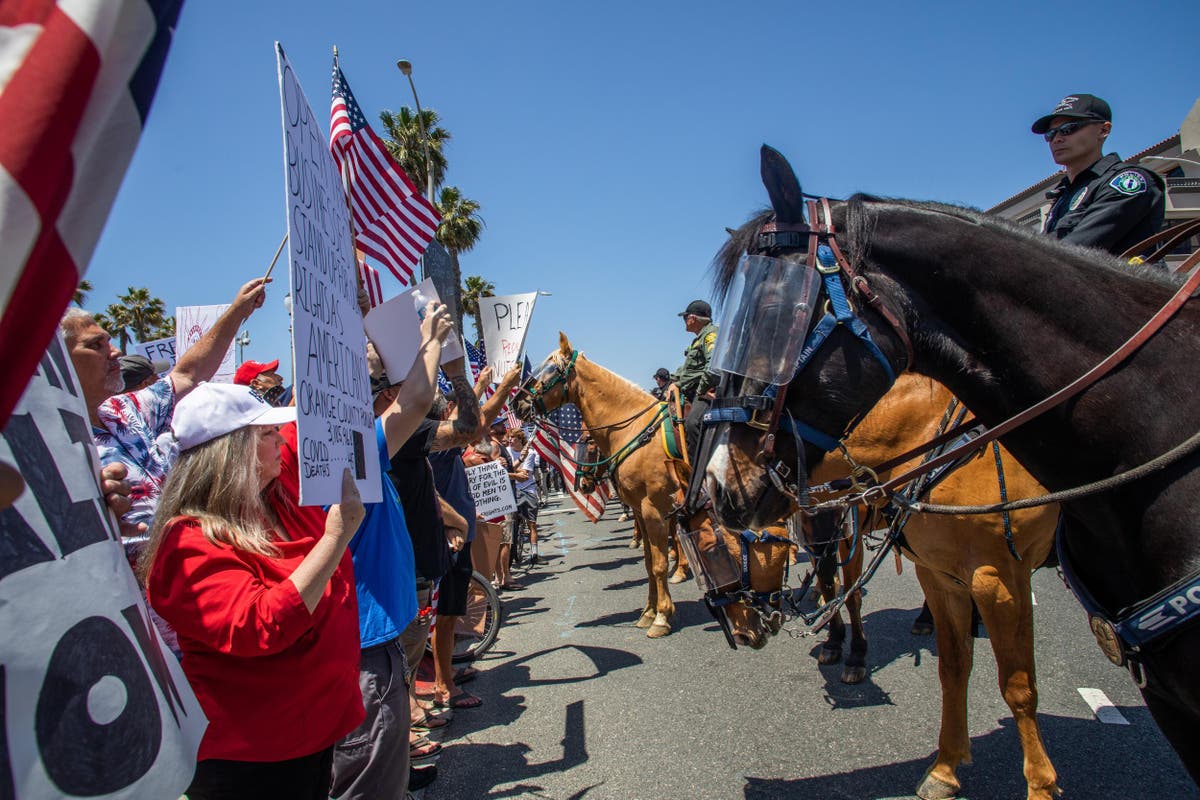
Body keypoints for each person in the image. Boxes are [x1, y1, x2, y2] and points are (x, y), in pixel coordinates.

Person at [141, 383, 365, 799]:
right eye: (266, 434)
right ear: (232, 452)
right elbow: (258, 626)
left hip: (309, 733)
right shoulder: (187, 541)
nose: (281, 439)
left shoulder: (277, 498)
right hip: (252, 758)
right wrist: (335, 538)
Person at [328, 304, 454, 800]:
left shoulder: (348, 442)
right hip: (365, 637)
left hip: (375, 630)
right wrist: (430, 339)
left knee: (380, 762)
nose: (373, 356)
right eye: (364, 359)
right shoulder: (347, 444)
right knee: (369, 772)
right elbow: (418, 398)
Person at [63, 277, 268, 537]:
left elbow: (188, 375)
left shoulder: (127, 409)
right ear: (59, 361)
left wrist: (238, 311)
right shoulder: (51, 443)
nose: (114, 352)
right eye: (95, 345)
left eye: (108, 341)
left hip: (186, 562)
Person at [1032, 93, 1165, 256]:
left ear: (1103, 130)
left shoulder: (1128, 181)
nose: (1057, 139)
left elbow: (1072, 252)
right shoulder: (1062, 194)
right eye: (1050, 134)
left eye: (1068, 129)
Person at [672, 299, 719, 460]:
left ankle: (698, 471)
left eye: (685, 318)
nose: (684, 322)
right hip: (691, 391)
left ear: (692, 318)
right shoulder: (698, 339)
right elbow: (689, 370)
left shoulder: (710, 334)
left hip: (703, 391)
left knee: (692, 424)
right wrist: (675, 383)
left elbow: (713, 365)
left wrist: (701, 391)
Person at [507, 428, 542, 564]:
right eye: (509, 437)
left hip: (528, 489)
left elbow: (525, 475)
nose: (510, 440)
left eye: (513, 438)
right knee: (511, 522)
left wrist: (511, 470)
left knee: (532, 523)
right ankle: (512, 551)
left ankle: (534, 554)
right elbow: (512, 472)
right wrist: (515, 470)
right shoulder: (507, 451)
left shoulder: (530, 453)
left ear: (520, 440)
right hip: (513, 489)